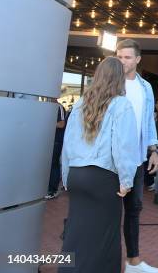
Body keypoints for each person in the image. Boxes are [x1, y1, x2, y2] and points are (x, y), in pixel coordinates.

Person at [59, 57, 139, 273]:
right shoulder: (122, 105)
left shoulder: (79, 105)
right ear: (119, 79)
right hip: (103, 179)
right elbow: (123, 147)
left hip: (76, 175)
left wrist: (66, 176)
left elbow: (68, 144)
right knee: (105, 238)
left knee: (75, 234)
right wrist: (126, 180)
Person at [116, 39, 158, 273]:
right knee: (110, 211)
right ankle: (108, 261)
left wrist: (153, 150)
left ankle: (132, 262)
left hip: (136, 159)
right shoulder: (111, 83)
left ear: (137, 60)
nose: (122, 61)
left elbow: (148, 123)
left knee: (133, 210)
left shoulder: (146, 88)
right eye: (119, 56)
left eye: (127, 57)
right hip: (111, 159)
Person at [45, 102, 67, 199]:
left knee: (53, 163)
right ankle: (48, 188)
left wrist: (48, 123)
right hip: (48, 140)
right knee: (48, 164)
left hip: (56, 141)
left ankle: (53, 190)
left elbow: (62, 124)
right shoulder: (45, 105)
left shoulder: (58, 107)